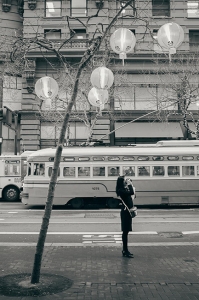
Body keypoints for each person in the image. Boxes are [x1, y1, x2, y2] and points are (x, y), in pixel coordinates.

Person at [116, 175, 135, 258]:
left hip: (127, 211)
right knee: (125, 231)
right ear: (121, 182)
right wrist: (130, 184)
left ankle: (125, 250)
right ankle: (125, 250)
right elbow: (131, 192)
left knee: (126, 231)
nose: (125, 181)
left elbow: (132, 196)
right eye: (124, 180)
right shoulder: (121, 190)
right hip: (125, 212)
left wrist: (130, 185)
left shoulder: (123, 189)